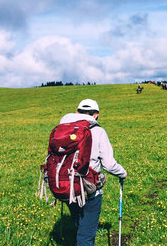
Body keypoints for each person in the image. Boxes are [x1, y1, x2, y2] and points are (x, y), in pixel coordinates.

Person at [60, 99, 127, 246]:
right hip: (89, 187)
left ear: (77, 111)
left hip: (66, 185)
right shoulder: (98, 131)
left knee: (80, 225)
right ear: (96, 115)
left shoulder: (62, 127)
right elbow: (109, 164)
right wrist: (123, 173)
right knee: (86, 236)